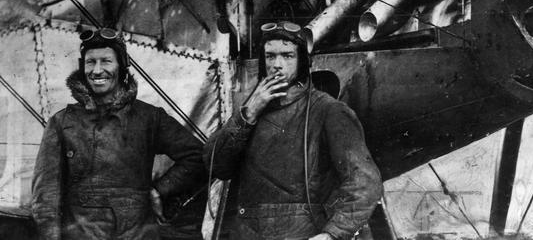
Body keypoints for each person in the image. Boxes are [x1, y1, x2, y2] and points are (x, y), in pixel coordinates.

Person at [204, 21, 383, 240]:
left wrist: (332, 234)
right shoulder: (251, 108)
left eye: (287, 56)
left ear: (302, 62)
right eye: (270, 56)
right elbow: (217, 166)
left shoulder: (328, 110)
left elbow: (365, 182)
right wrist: (247, 114)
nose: (277, 64)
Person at [31, 28, 207, 240]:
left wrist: (159, 190)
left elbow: (197, 156)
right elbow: (45, 199)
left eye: (106, 61)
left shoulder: (149, 118)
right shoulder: (61, 123)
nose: (97, 70)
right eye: (90, 62)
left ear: (121, 66)